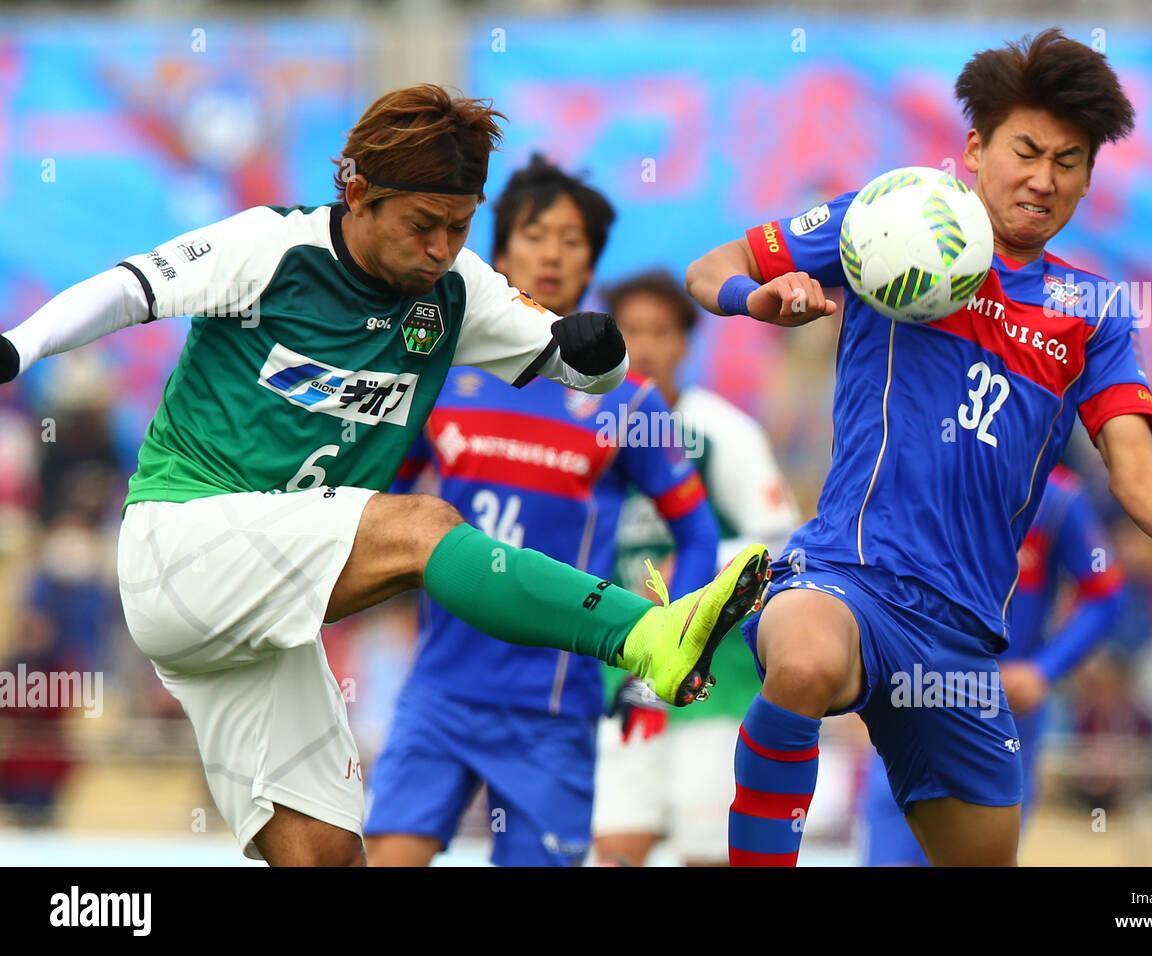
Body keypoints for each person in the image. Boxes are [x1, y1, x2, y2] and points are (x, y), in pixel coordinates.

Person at [0, 84, 770, 865]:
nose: (441, 247)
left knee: (328, 853)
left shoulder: (458, 291)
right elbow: (127, 291)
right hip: (182, 546)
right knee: (421, 526)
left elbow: (578, 366)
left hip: (260, 625)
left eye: (460, 225)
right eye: (423, 225)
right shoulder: (271, 249)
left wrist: (598, 354)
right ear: (358, 192)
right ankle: (643, 636)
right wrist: (19, 346)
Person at [685, 28, 1152, 867]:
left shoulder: (1092, 310)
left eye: (1069, 161)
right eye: (1026, 150)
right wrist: (756, 297)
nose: (1044, 178)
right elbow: (713, 266)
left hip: (962, 642)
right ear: (975, 147)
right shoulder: (887, 222)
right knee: (803, 661)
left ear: (1088, 178)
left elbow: (1130, 459)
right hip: (848, 578)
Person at [363, 157, 721, 866]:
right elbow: (381, 506)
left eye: (572, 239)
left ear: (591, 263)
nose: (552, 252)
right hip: (438, 690)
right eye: (534, 233)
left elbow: (699, 536)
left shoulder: (627, 400)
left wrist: (658, 664)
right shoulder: (442, 375)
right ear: (497, 252)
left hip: (552, 707)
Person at [591, 270, 800, 866]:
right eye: (631, 331)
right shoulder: (592, 427)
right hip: (623, 677)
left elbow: (781, 542)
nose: (647, 346)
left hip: (716, 682)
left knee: (710, 851)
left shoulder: (723, 433)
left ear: (687, 342)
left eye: (661, 331)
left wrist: (697, 564)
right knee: (615, 847)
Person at [861, 464, 1123, 865]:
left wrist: (1043, 670)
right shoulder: (908, 476)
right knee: (891, 850)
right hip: (912, 701)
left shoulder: (1054, 497)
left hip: (1004, 712)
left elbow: (1106, 593)